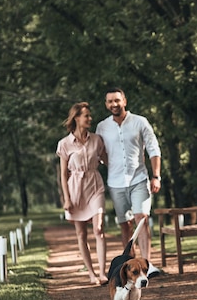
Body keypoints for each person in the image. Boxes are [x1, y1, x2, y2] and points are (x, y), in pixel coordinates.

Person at [96, 87, 161, 261]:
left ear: (124, 101)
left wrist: (156, 176)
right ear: (106, 104)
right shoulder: (102, 127)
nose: (114, 104)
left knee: (141, 219)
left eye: (117, 100)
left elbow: (154, 149)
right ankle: (131, 263)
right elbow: (99, 153)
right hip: (115, 183)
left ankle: (146, 264)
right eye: (110, 101)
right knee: (125, 225)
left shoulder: (140, 122)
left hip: (139, 179)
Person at [57, 102, 109, 285]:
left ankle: (103, 273)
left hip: (95, 185)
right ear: (76, 118)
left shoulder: (97, 140)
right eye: (86, 115)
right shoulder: (64, 144)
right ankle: (91, 274)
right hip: (75, 188)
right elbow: (63, 174)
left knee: (99, 228)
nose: (89, 119)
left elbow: (108, 161)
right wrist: (66, 198)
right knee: (81, 234)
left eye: (89, 115)